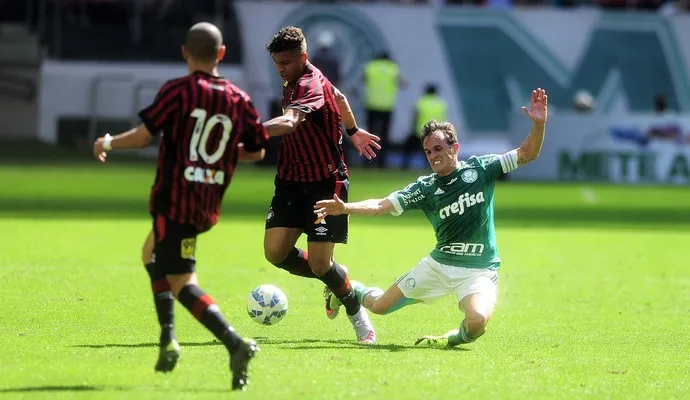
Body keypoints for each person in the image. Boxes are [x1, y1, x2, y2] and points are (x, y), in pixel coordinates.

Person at [92, 22, 267, 390]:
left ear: (185, 52)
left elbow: (143, 137)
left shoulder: (177, 91)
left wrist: (107, 143)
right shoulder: (240, 99)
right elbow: (257, 150)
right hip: (205, 203)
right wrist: (216, 156)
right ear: (221, 54)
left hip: (174, 201)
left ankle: (235, 343)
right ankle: (168, 336)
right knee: (150, 253)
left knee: (182, 282)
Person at [316, 88, 548, 347]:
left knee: (477, 321)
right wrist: (345, 208)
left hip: (479, 271)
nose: (433, 156)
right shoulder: (425, 188)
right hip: (438, 267)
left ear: (455, 147)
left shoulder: (481, 169)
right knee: (380, 306)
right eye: (428, 152)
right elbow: (381, 205)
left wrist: (539, 124)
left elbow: (528, 153)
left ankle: (450, 340)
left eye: (438, 148)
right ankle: (348, 289)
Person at [261, 26, 381, 343]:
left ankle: (358, 317)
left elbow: (288, 122)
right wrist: (354, 130)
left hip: (325, 184)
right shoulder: (303, 78)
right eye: (277, 63)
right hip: (290, 182)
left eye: (285, 62)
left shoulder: (307, 83)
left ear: (303, 57)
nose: (280, 69)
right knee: (275, 253)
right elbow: (340, 97)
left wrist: (249, 132)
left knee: (319, 262)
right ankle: (332, 279)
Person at [363, 51, 406, 168]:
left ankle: (367, 161)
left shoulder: (371, 67)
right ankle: (382, 162)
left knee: (369, 135)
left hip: (372, 105)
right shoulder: (392, 68)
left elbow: (363, 79)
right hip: (387, 107)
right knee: (384, 136)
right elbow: (403, 83)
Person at [402, 83, 448, 169]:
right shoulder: (441, 103)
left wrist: (413, 128)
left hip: (421, 131)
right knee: (434, 150)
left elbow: (415, 116)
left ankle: (405, 165)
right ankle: (433, 166)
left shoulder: (421, 102)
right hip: (437, 132)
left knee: (409, 147)